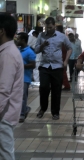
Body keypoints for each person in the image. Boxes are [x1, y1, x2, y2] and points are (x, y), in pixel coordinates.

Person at [35, 17, 72, 120]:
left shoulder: (61, 36)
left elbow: (69, 48)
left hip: (57, 67)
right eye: (47, 27)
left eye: (50, 27)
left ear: (54, 26)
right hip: (44, 67)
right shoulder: (41, 36)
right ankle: (42, 109)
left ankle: (55, 112)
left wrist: (65, 61)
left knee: (56, 90)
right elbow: (36, 50)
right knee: (43, 88)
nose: (48, 29)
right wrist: (42, 45)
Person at [0, 14, 24, 160]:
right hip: (5, 112)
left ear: (1, 31)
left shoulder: (8, 54)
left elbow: (3, 90)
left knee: (5, 154)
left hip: (4, 115)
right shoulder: (6, 52)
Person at [16, 32, 36, 123]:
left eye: (18, 39)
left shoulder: (29, 52)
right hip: (16, 78)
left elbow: (33, 65)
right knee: (16, 96)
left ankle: (22, 114)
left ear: (23, 40)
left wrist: (21, 66)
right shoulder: (18, 50)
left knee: (23, 97)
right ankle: (25, 109)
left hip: (25, 78)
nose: (17, 40)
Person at [56, 25, 71, 90]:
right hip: (62, 54)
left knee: (62, 71)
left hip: (61, 54)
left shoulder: (60, 36)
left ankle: (66, 85)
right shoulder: (63, 36)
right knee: (61, 71)